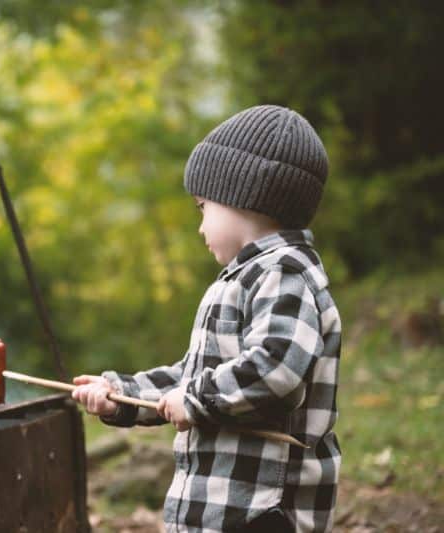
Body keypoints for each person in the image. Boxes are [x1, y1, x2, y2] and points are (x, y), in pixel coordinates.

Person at [72, 105, 341, 532]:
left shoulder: (284, 275)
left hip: (262, 512)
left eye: (202, 207)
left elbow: (275, 369)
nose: (200, 226)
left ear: (244, 196)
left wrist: (195, 400)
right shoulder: (243, 278)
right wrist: (120, 395)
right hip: (221, 508)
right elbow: (193, 376)